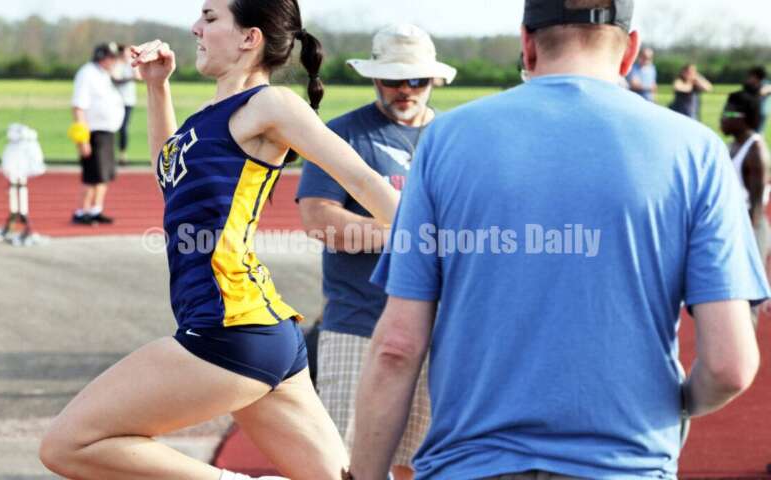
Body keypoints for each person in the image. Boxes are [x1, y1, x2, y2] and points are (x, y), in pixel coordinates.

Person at [347, 1, 769, 479]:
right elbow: (730, 366)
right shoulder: (697, 151)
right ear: (629, 51)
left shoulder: (445, 139)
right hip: (626, 462)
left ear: (527, 44)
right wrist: (677, 407)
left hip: (469, 464)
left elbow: (396, 347)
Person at [39, 1, 399, 479]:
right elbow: (170, 176)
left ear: (250, 38)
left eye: (210, 18)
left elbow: (363, 180)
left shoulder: (270, 104)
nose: (195, 28)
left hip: (229, 327)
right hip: (260, 330)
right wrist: (156, 88)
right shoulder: (212, 115)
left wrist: (435, 254)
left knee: (69, 444)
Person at [296, 23, 456, 480]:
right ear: (373, 78)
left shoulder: (454, 136)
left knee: (421, 463)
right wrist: (413, 236)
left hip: (440, 330)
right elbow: (319, 220)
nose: (405, 90)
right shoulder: (344, 134)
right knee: (345, 463)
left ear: (434, 79)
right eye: (393, 79)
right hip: (357, 325)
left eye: (417, 80)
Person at [721, 90, 771, 324]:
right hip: (735, 227)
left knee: (746, 300)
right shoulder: (732, 146)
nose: (723, 118)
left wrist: (745, 247)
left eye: (729, 113)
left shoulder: (755, 151)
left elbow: (757, 208)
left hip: (751, 230)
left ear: (746, 118)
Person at [69, 42, 125, 225]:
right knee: (92, 176)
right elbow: (79, 107)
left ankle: (96, 209)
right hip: (94, 132)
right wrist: (82, 139)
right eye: (112, 57)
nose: (115, 61)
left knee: (104, 175)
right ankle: (82, 211)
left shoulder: (105, 74)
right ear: (102, 57)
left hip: (107, 131)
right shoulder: (87, 74)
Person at [113, 44, 143, 166]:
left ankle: (122, 154)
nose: (127, 55)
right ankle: (111, 154)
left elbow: (139, 77)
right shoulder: (115, 64)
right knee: (113, 128)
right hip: (115, 101)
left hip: (128, 101)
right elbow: (115, 79)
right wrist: (130, 78)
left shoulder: (131, 63)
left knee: (123, 128)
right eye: (125, 52)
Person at [744, 66, 771, 134]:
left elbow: (764, 91)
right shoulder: (749, 84)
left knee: (757, 133)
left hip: (760, 112)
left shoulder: (765, 83)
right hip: (751, 111)